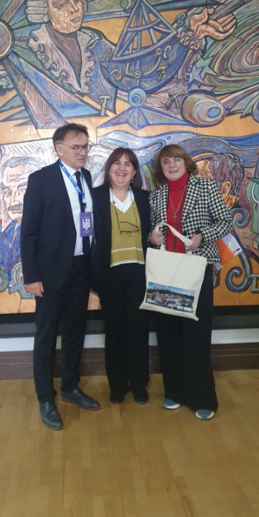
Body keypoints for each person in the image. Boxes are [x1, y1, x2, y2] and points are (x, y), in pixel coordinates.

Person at [20, 123, 100, 430]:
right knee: (46, 336)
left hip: (81, 269)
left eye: (85, 147)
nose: (82, 152)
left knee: (75, 331)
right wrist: (32, 276)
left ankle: (70, 387)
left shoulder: (86, 177)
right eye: (76, 147)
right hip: (51, 272)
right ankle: (45, 398)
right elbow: (29, 233)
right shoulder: (41, 180)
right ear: (59, 149)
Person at [149, 144, 232, 420]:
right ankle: (174, 392)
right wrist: (152, 238)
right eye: (165, 162)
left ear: (185, 162)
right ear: (160, 169)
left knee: (196, 334)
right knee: (168, 332)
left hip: (196, 269)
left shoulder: (206, 187)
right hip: (166, 271)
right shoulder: (157, 196)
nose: (171, 165)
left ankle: (201, 397)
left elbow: (225, 222)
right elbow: (153, 231)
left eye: (176, 160)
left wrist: (202, 236)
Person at [92, 148, 151, 405]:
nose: (122, 168)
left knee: (138, 330)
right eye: (117, 163)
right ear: (109, 169)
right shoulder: (95, 197)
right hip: (109, 274)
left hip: (140, 274)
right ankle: (117, 385)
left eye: (128, 164)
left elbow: (153, 233)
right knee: (114, 330)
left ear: (134, 172)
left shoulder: (145, 198)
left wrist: (154, 239)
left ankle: (139, 385)